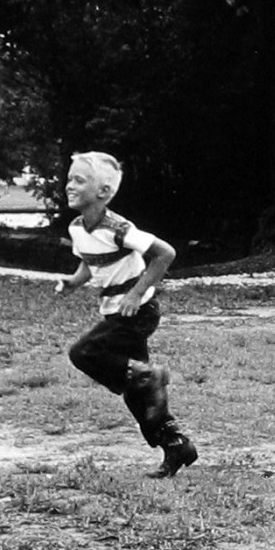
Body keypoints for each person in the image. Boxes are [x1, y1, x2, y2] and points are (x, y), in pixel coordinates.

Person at [56, 151, 198, 478]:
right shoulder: (78, 227)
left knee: (84, 352)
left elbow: (165, 253)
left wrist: (135, 294)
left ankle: (150, 375)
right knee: (138, 393)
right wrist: (73, 283)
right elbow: (90, 262)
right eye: (69, 179)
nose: (69, 185)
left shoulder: (118, 227)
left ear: (103, 192)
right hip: (115, 313)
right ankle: (176, 445)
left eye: (79, 180)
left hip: (137, 312)